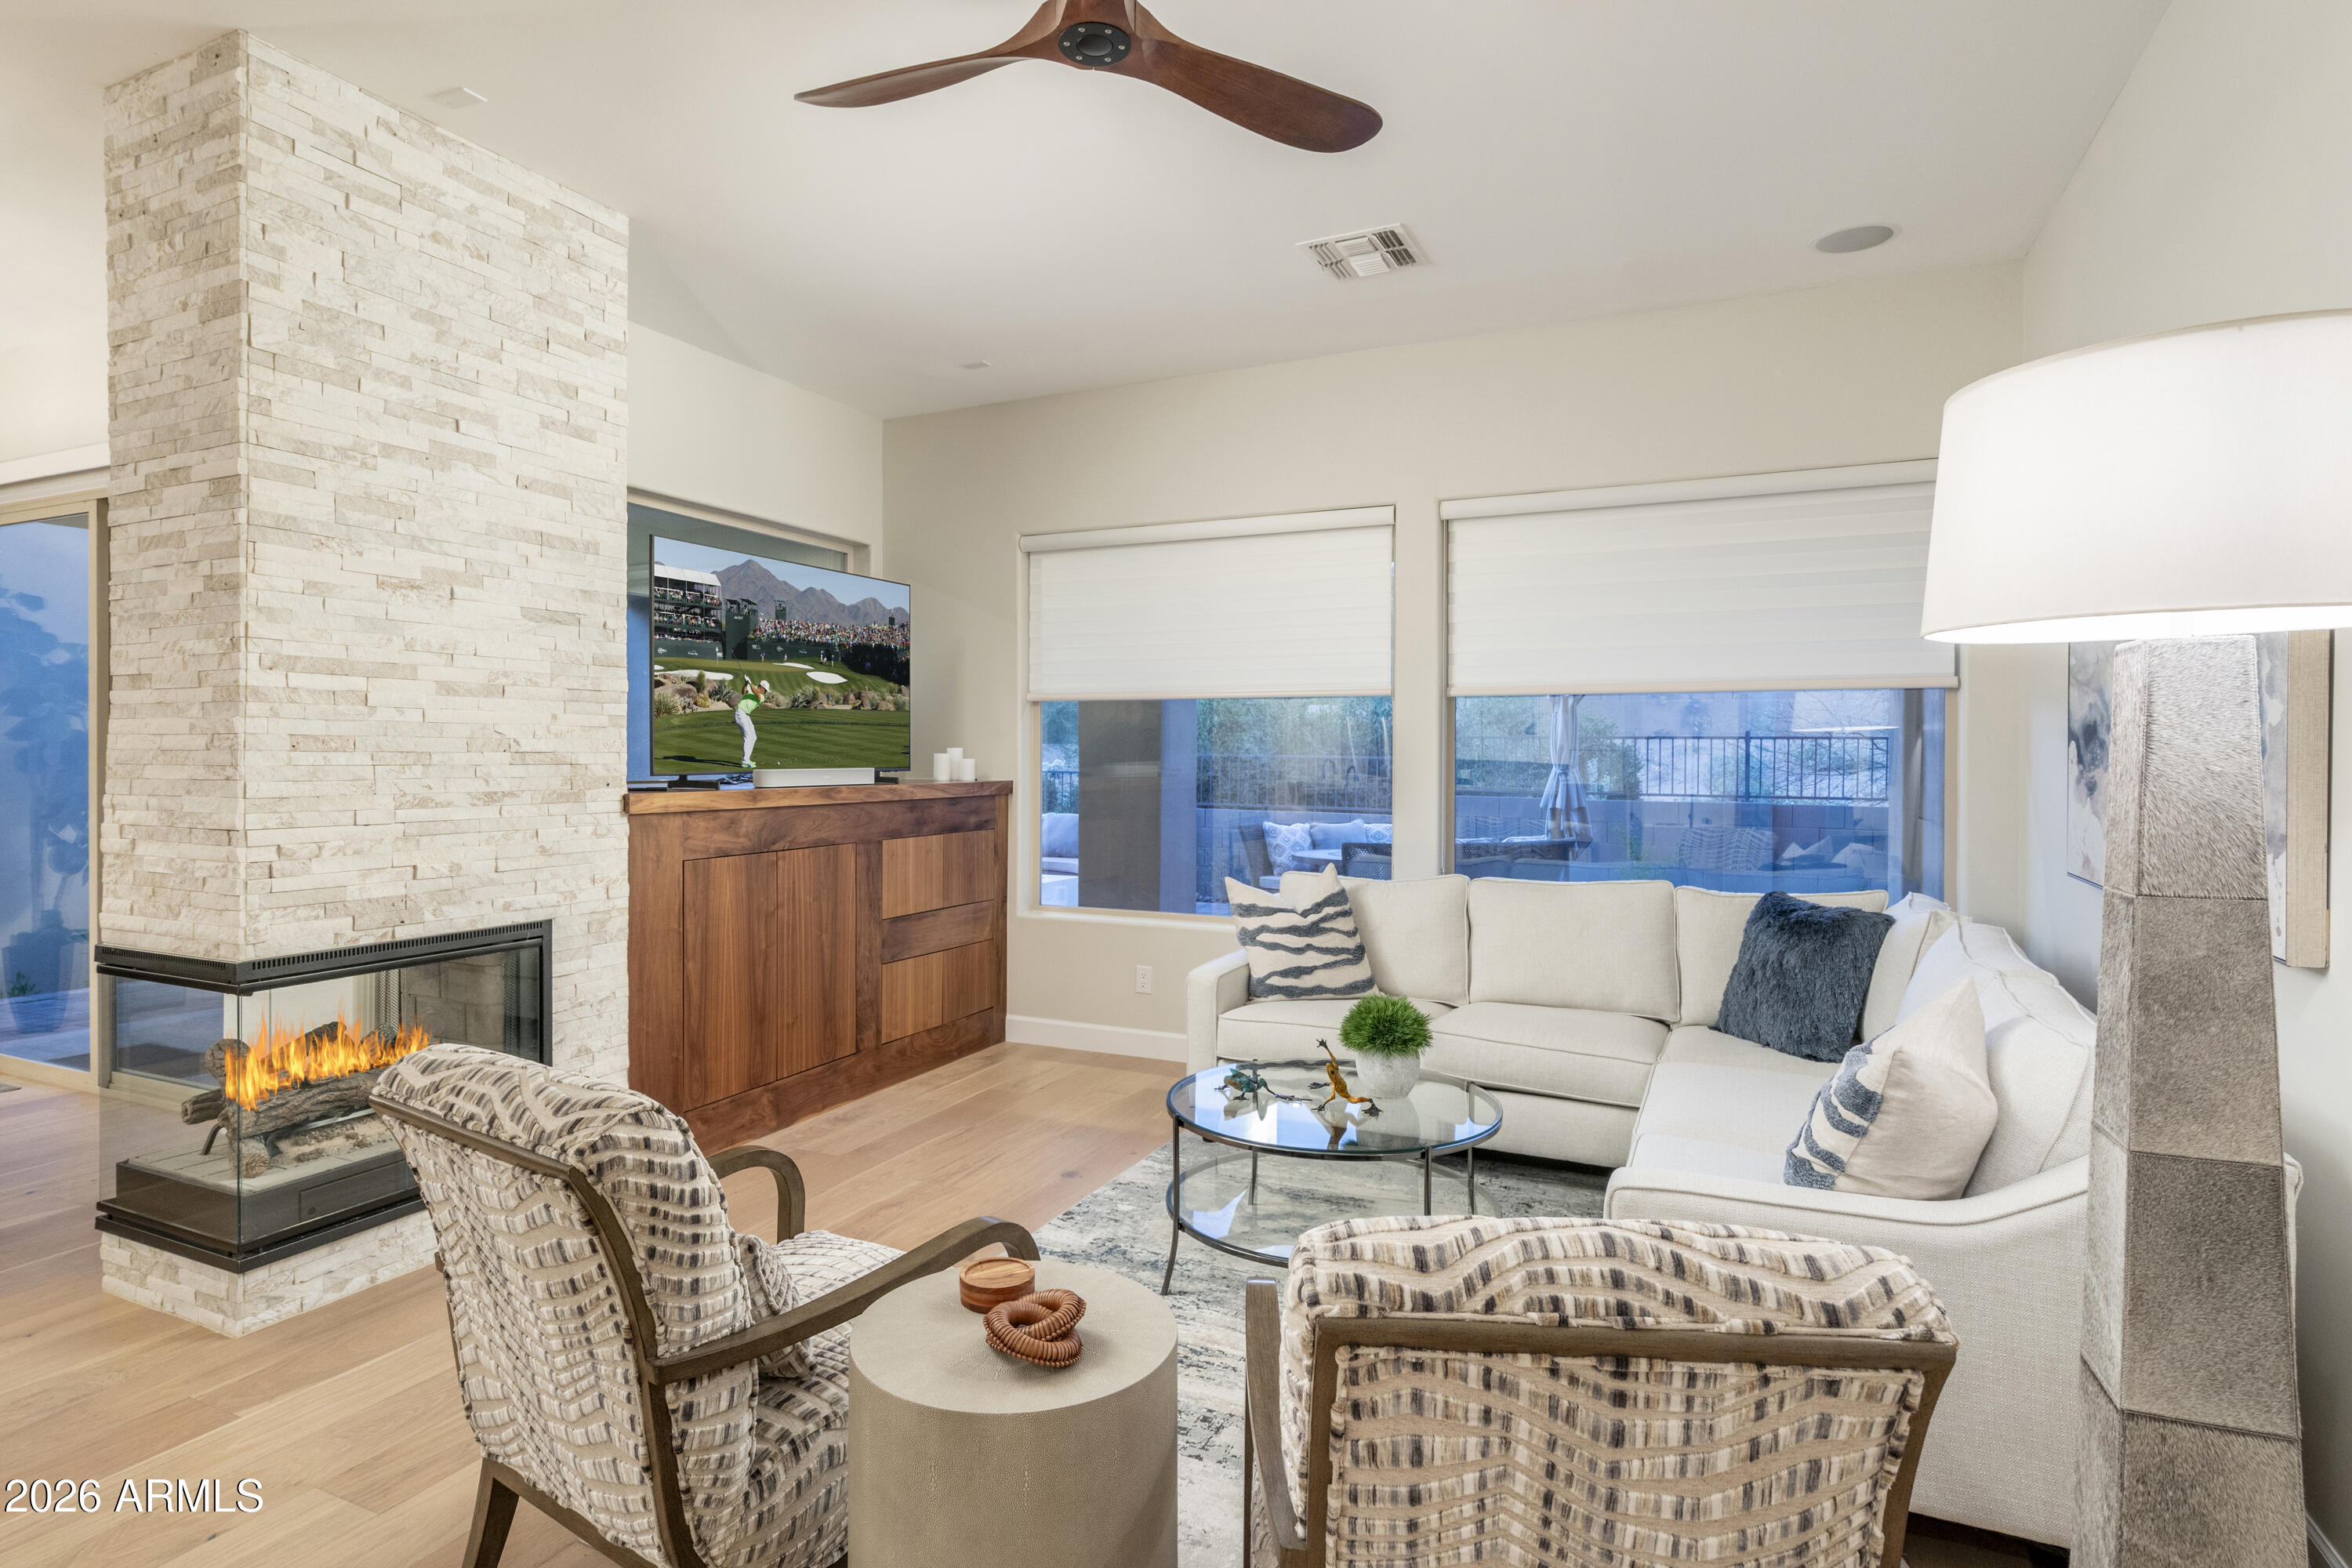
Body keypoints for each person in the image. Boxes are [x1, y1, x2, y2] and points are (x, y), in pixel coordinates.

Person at [733, 678, 773, 768]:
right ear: (762, 687)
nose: (766, 692)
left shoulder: (761, 697)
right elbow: (743, 693)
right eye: (765, 690)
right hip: (741, 712)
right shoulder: (751, 687)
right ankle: (745, 761)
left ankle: (747, 759)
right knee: (748, 737)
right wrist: (745, 683)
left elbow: (757, 694)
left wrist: (750, 682)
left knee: (753, 737)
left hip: (747, 715)